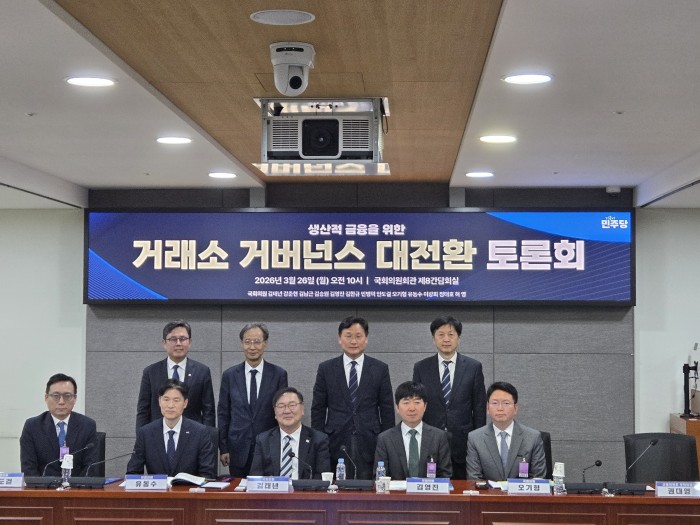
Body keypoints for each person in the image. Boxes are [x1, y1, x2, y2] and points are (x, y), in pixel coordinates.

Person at [311, 316, 394, 480]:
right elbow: (318, 409)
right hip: (334, 439)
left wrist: (386, 442)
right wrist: (320, 440)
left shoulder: (380, 368)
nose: (353, 341)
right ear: (340, 339)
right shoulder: (326, 369)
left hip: (370, 440)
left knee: (369, 486)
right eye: (348, 336)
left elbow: (387, 409)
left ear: (366, 339)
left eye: (358, 336)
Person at [412, 315, 486, 479]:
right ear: (434, 339)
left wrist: (478, 441)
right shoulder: (421, 367)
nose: (446, 339)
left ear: (459, 338)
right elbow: (416, 405)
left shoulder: (473, 367)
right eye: (441, 335)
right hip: (430, 440)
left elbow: (479, 408)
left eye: (451, 334)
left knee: (462, 487)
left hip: (463, 441)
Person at [218, 322, 288, 477]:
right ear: (242, 344)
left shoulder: (278, 374)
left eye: (257, 342)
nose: (252, 347)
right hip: (237, 448)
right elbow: (223, 413)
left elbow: (283, 413)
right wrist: (224, 448)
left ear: (265, 343)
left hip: (269, 447)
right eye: (247, 342)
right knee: (238, 490)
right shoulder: (230, 375)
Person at [136, 319, 215, 430]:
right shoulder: (150, 372)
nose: (178, 343)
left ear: (190, 342)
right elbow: (143, 410)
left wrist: (208, 438)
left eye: (182, 339)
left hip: (193, 435)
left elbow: (208, 411)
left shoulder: (202, 371)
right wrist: (141, 437)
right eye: (173, 339)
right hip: (158, 434)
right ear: (164, 343)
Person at [127, 379, 215, 478]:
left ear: (185, 403)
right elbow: (133, 472)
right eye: (166, 399)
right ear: (159, 401)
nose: (170, 405)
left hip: (189, 488)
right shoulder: (145, 433)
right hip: (158, 488)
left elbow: (208, 473)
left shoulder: (200, 432)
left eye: (176, 400)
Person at [20, 373, 98, 477]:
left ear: (75, 398)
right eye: (56, 396)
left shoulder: (87, 425)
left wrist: (76, 486)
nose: (61, 402)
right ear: (46, 397)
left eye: (67, 396)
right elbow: (28, 468)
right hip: (42, 486)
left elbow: (90, 466)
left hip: (78, 486)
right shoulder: (32, 426)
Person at [466, 381, 546, 480]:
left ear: (515, 408)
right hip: (489, 490)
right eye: (495, 403)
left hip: (521, 490)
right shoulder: (475, 438)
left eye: (506, 403)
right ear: (487, 408)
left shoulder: (533, 437)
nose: (500, 408)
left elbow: (538, 478)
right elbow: (474, 478)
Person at [374, 381, 452, 479]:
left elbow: (445, 476)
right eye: (406, 403)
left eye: (417, 402)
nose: (412, 408)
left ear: (425, 406)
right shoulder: (385, 439)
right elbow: (380, 478)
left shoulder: (439, 437)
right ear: (397, 408)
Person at [250, 387, 330, 479]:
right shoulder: (263, 440)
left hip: (304, 488)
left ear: (302, 409)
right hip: (274, 488)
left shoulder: (319, 440)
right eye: (281, 406)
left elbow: (322, 478)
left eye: (292, 405)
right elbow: (255, 478)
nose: (287, 411)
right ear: (275, 412)